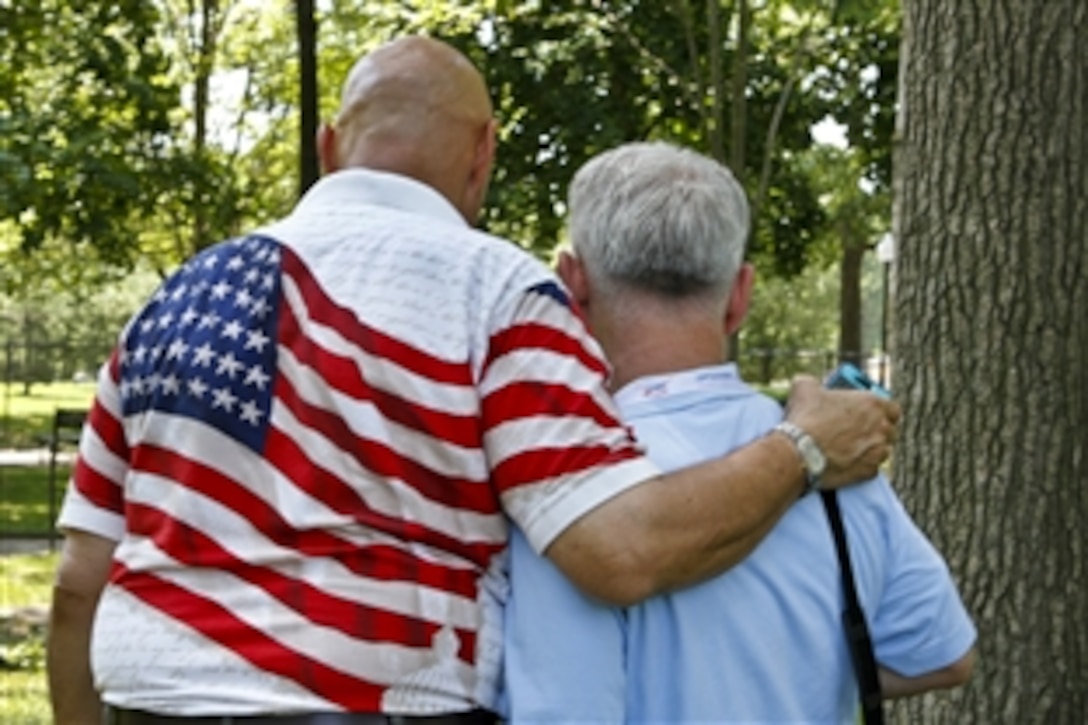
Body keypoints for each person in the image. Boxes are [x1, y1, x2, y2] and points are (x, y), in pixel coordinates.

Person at [47, 37, 900, 723]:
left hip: (148, 698)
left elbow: (81, 579)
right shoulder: (496, 294)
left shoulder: (175, 302)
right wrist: (803, 449)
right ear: (483, 154)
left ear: (330, 145)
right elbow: (622, 549)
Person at [501, 141, 977, 723]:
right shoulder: (840, 454)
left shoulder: (572, 484)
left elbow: (562, 711)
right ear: (740, 295)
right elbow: (942, 655)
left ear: (572, 283)